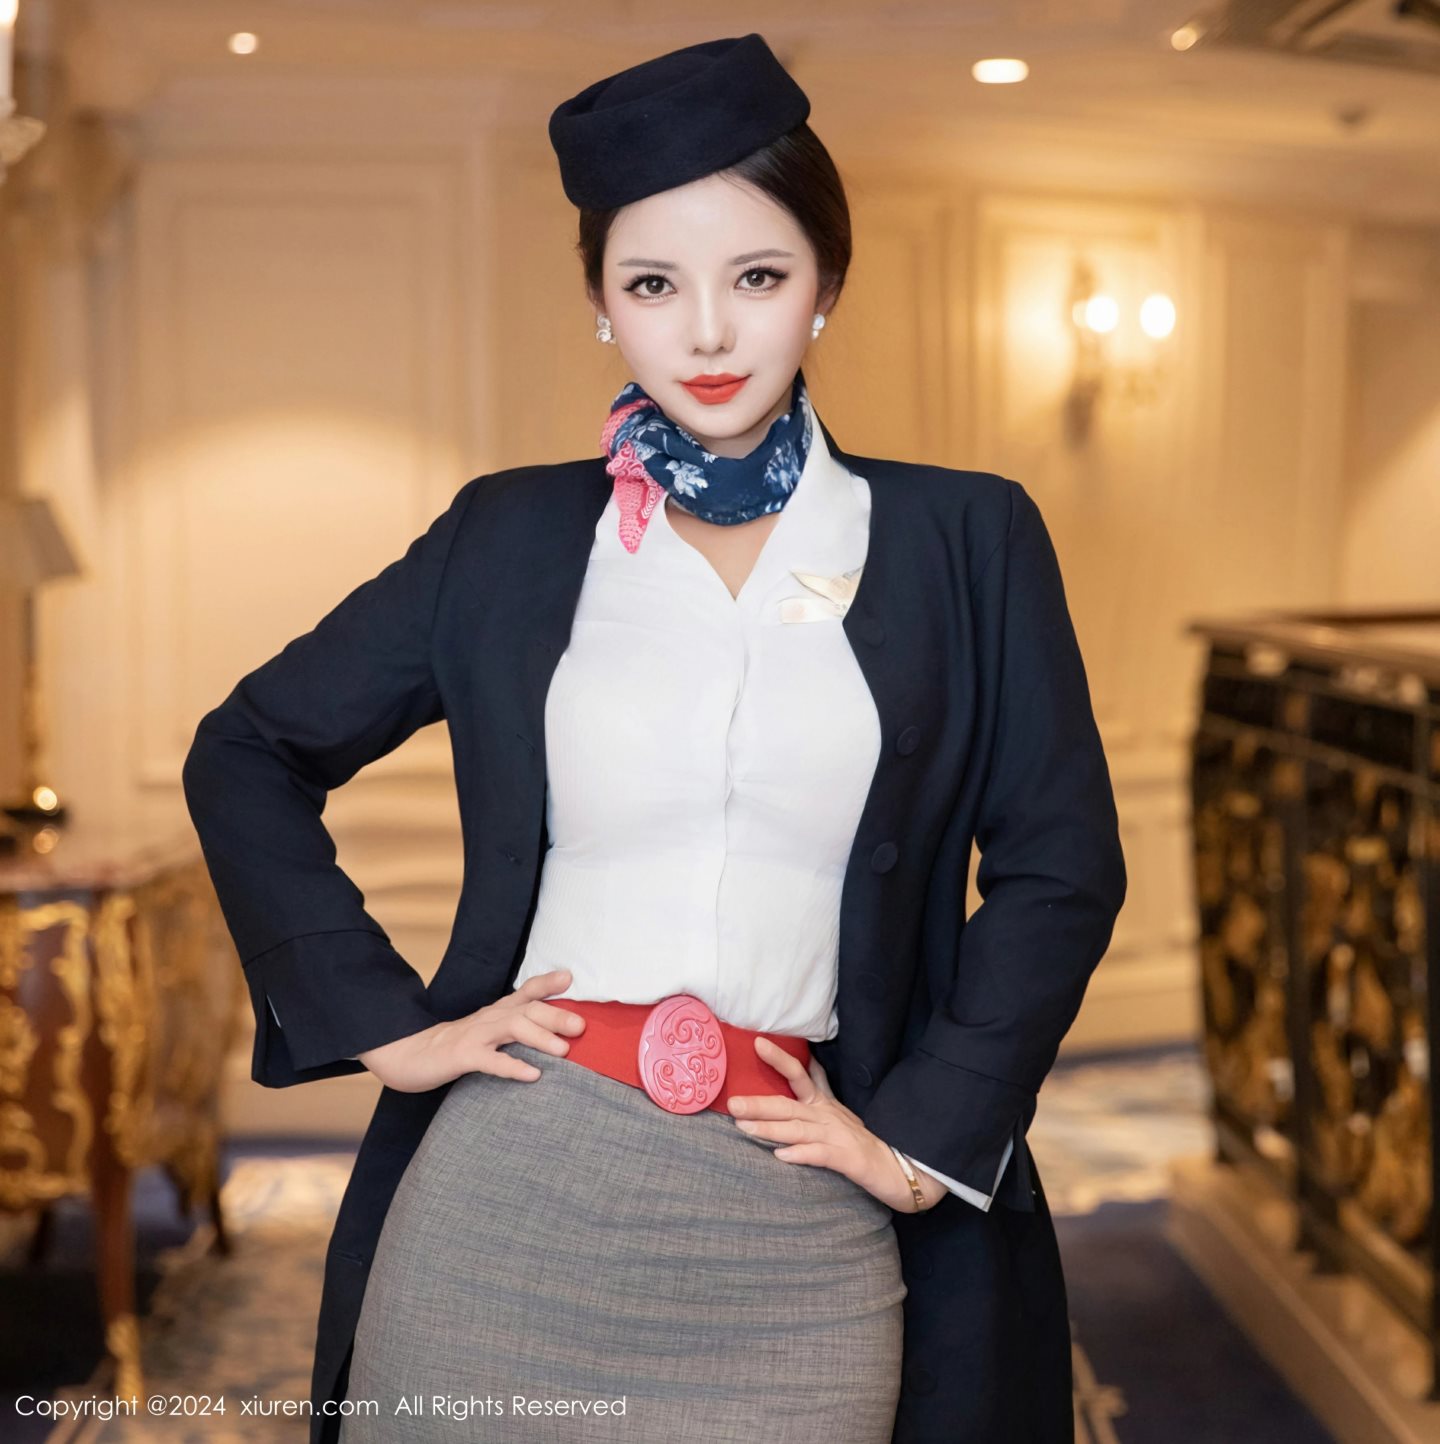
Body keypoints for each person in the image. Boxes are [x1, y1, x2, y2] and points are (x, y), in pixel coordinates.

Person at [181, 33, 1126, 1444]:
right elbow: (246, 749)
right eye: (653, 284)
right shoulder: (511, 537)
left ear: (828, 283)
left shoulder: (963, 537)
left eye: (758, 277)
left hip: (806, 1210)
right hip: (512, 1189)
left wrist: (922, 1140)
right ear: (599, 304)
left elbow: (1062, 866)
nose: (708, 334)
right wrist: (388, 1025)